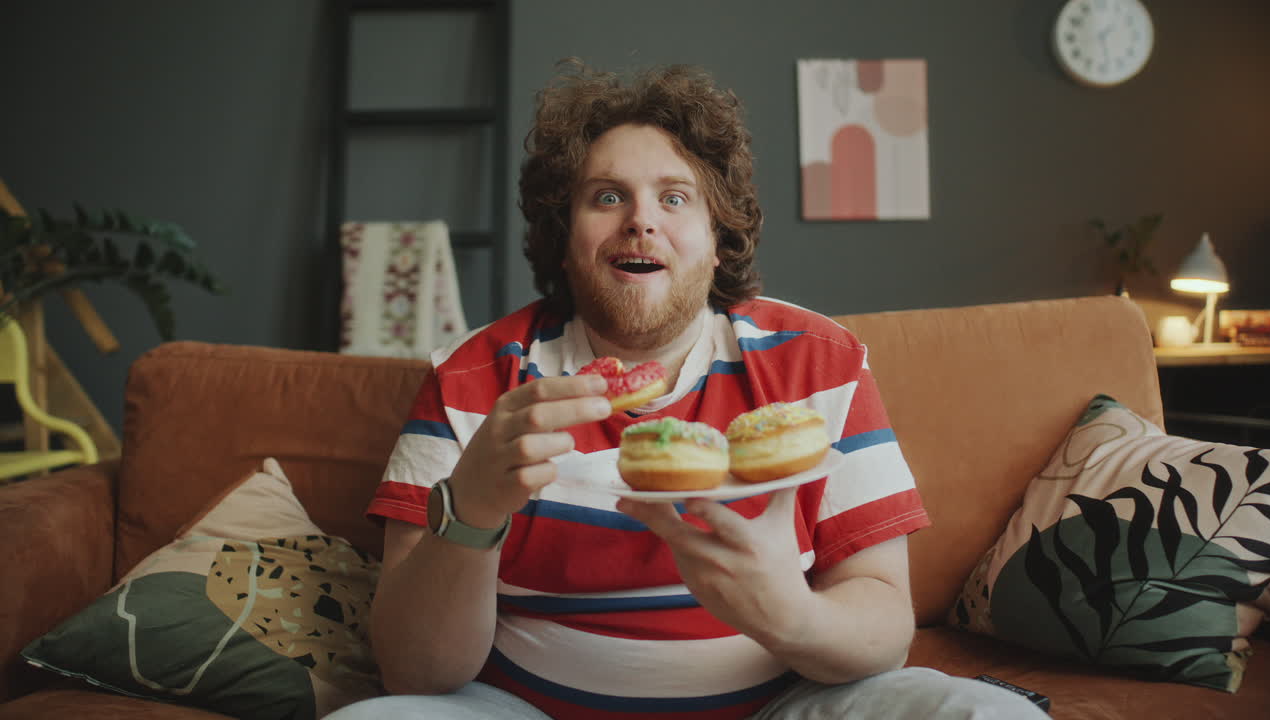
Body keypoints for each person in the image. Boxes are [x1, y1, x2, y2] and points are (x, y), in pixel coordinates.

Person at [327, 60, 1044, 720]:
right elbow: (417, 673)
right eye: (607, 196)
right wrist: (473, 511)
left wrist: (790, 614)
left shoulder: (817, 364)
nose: (642, 219)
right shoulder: (474, 377)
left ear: (716, 234)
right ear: (562, 232)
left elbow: (884, 627)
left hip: (780, 706)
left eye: (675, 197)